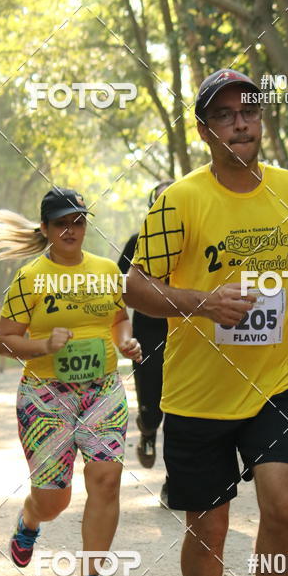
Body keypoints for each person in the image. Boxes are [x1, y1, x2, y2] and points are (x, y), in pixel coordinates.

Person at [125, 68, 288, 576]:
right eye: (225, 114)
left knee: (283, 506)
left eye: (249, 109)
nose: (240, 121)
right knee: (209, 523)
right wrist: (201, 303)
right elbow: (137, 285)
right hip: (197, 393)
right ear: (204, 129)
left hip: (276, 382)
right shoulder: (181, 200)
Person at [0, 186, 142, 576]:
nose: (72, 229)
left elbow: (118, 320)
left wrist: (127, 343)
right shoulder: (31, 278)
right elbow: (4, 340)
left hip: (102, 390)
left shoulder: (107, 270)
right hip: (45, 395)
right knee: (55, 498)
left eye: (78, 221)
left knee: (106, 478)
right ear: (46, 229)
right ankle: (29, 521)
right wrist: (43, 346)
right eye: (62, 223)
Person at [118, 181, 172, 505]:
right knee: (152, 403)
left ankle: (173, 480)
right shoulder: (138, 242)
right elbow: (118, 287)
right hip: (147, 334)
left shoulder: (197, 239)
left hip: (187, 333)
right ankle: (148, 429)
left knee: (182, 409)